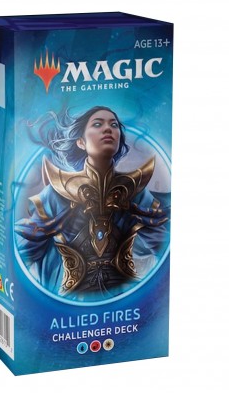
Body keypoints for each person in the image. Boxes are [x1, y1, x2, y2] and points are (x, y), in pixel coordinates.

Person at [15, 106, 169, 301]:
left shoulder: (135, 191)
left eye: (114, 125)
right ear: (80, 141)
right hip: (70, 301)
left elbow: (165, 248)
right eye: (97, 124)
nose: (108, 129)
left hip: (124, 298)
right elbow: (20, 252)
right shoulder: (58, 193)